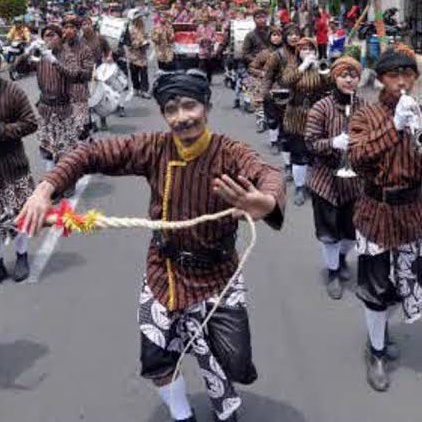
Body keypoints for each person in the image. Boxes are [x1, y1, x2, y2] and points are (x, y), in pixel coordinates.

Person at [18, 69, 286, 422]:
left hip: (218, 276)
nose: (181, 118)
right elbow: (89, 154)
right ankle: (181, 415)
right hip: (165, 273)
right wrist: (44, 190)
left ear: (205, 107)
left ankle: (226, 408)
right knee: (156, 356)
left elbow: (269, 174)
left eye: (189, 106)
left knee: (230, 360)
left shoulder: (230, 152)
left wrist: (266, 203)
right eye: (171, 109)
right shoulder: (153, 148)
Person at [348, 44, 422, 392]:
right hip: (376, 209)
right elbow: (358, 159)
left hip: (412, 211)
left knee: (407, 279)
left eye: (409, 74)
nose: (403, 81)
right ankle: (376, 350)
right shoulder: (365, 114)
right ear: (380, 80)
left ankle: (384, 328)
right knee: (375, 287)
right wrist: (393, 127)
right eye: (395, 75)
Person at [305, 56, 364, 300]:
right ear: (334, 77)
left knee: (351, 232)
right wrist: (332, 143)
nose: (349, 79)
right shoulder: (321, 107)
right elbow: (310, 142)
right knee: (329, 232)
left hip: (354, 182)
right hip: (325, 180)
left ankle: (341, 258)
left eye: (353, 75)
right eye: (343, 75)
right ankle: (332, 272)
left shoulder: (363, 105)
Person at [0, 62, 37, 283]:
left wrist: (3, 130)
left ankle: (22, 255)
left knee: (20, 215)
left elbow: (30, 123)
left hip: (13, 166)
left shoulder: (12, 91)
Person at [282, 37, 331, 206]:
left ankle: (312, 185)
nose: (308, 53)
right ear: (298, 53)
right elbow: (286, 81)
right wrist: (303, 66)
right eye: (304, 50)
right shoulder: (292, 66)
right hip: (297, 115)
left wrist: (321, 69)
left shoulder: (321, 65)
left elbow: (330, 85)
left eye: (311, 50)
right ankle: (299, 187)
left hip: (317, 115)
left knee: (314, 153)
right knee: (299, 153)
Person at [263, 22, 300, 171]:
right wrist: (266, 94)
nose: (294, 37)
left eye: (297, 34)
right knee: (284, 129)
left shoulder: (304, 52)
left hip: (300, 96)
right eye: (290, 34)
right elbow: (268, 76)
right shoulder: (277, 55)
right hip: (281, 95)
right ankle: (287, 164)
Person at [62, 15, 95, 161]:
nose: (69, 30)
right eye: (66, 27)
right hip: (62, 96)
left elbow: (88, 74)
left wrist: (72, 71)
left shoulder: (85, 49)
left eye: (72, 27)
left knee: (81, 130)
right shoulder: (59, 48)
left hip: (79, 94)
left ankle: (87, 156)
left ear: (77, 30)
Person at [248, 26, 283, 133]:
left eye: (279, 35)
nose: (276, 38)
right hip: (268, 86)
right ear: (270, 37)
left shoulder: (286, 53)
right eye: (274, 35)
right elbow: (252, 67)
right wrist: (262, 73)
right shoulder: (265, 53)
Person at [126, 12, 151, 99]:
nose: (139, 20)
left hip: (142, 55)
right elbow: (128, 42)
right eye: (137, 18)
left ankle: (144, 90)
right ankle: (136, 88)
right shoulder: (129, 29)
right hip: (133, 54)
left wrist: (146, 41)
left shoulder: (142, 27)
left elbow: (145, 37)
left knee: (144, 72)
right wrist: (139, 43)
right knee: (134, 72)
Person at [197, 10, 217, 83]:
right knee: (201, 65)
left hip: (209, 50)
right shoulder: (199, 28)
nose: (204, 19)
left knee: (209, 67)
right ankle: (200, 80)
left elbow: (215, 38)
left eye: (206, 17)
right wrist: (200, 39)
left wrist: (210, 39)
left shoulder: (212, 28)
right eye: (203, 17)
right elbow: (197, 38)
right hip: (202, 50)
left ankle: (209, 80)